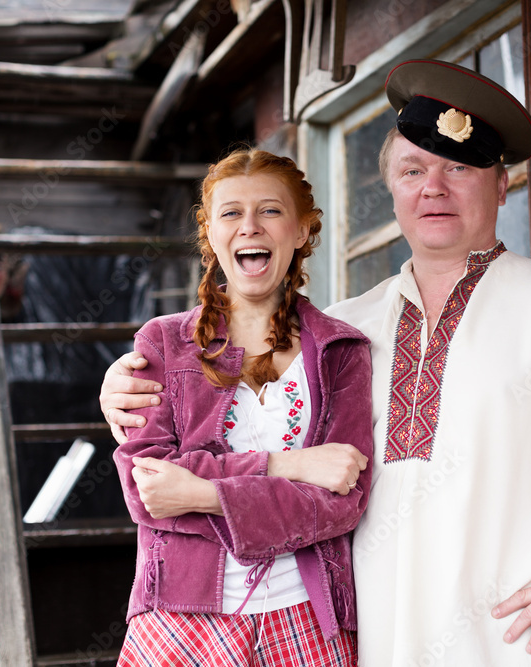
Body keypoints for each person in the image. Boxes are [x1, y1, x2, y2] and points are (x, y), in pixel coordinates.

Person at [102, 60, 531, 665]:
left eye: (458, 169)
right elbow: (219, 404)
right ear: (391, 189)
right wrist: (121, 389)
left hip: (515, 647)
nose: (432, 188)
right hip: (368, 645)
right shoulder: (340, 329)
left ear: (502, 183)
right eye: (412, 171)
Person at [112, 148, 372, 666]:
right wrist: (285, 466)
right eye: (231, 213)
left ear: (301, 230)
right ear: (211, 233)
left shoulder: (342, 350)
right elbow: (149, 493)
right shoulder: (163, 342)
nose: (250, 227)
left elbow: (343, 501)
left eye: (270, 210)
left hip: (305, 616)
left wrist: (201, 491)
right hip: (179, 614)